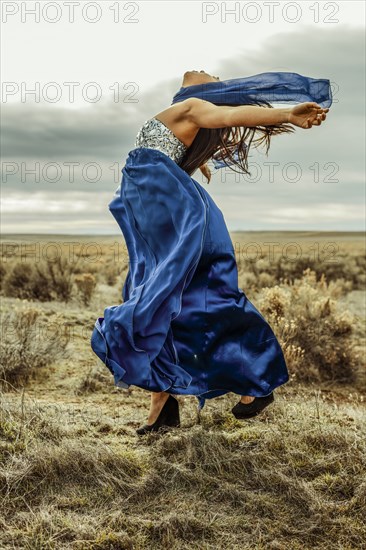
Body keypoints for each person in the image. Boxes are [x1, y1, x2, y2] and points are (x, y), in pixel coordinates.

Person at [90, 69, 330, 435]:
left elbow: (232, 115)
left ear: (209, 90)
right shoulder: (180, 117)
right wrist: (193, 160)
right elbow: (176, 152)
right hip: (157, 217)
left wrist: (286, 114)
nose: (205, 68)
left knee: (191, 294)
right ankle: (162, 411)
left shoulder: (192, 106)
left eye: (212, 75)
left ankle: (256, 379)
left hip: (173, 214)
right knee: (157, 298)